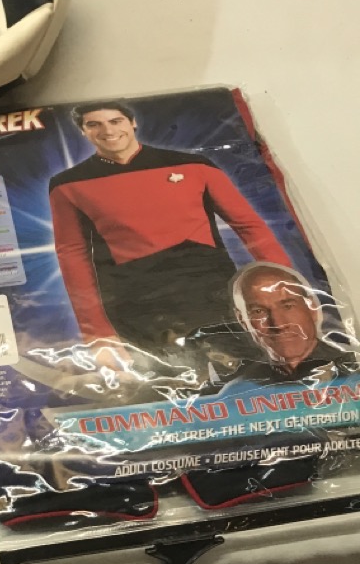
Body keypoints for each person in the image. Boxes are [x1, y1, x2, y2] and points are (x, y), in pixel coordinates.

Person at [49, 102, 292, 350]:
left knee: (246, 364)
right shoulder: (67, 184)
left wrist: (287, 289)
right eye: (94, 124)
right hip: (134, 303)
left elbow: (248, 224)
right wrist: (97, 333)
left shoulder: (195, 165)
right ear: (83, 131)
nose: (108, 130)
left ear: (132, 123)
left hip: (210, 290)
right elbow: (72, 255)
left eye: (115, 121)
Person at [216, 263, 358, 394]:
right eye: (258, 311)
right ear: (242, 320)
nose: (278, 324)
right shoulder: (238, 392)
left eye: (288, 306)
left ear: (312, 308)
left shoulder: (353, 370)